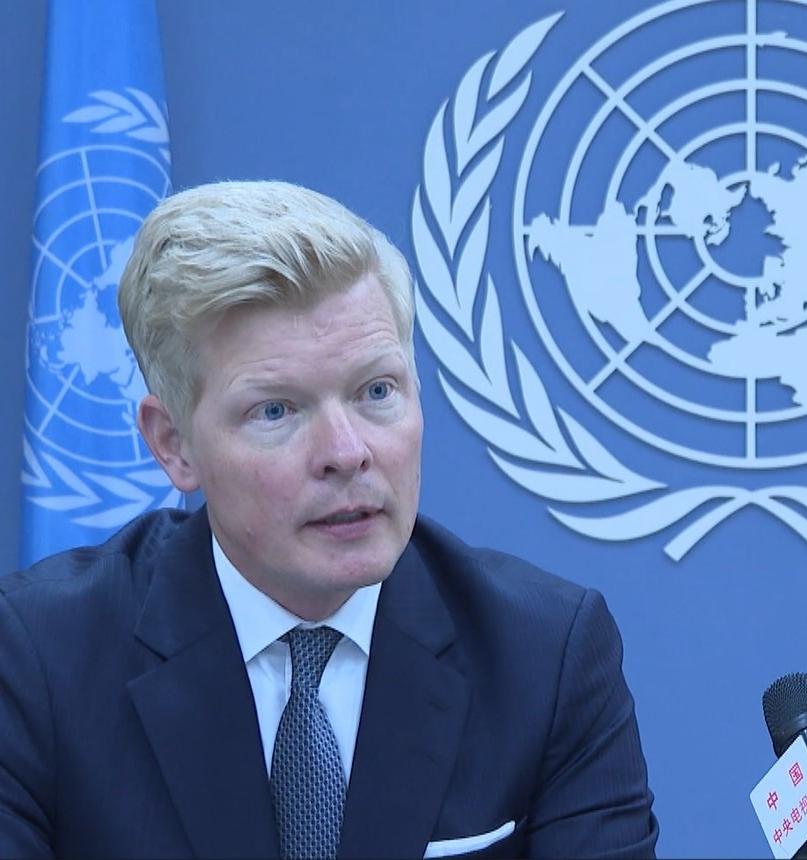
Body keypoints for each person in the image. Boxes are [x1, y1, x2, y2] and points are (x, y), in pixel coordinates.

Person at [0, 181, 659, 859]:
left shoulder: (543, 656)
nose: (347, 453)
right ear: (173, 444)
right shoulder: (36, 660)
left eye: (376, 390)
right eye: (276, 410)